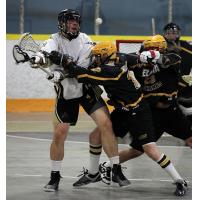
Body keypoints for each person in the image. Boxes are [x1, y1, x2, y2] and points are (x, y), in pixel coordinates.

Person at [46, 40, 188, 196]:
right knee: (95, 135)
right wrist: (153, 55)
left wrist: (65, 61)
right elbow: (137, 58)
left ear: (106, 55)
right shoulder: (121, 58)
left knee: (149, 149)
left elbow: (83, 74)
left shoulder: (111, 70)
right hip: (122, 110)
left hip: (137, 111)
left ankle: (179, 180)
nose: (95, 60)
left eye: (98, 56)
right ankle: (94, 173)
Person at [31, 9, 130, 191]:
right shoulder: (53, 39)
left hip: (86, 89)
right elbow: (45, 53)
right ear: (62, 23)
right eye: (70, 21)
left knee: (106, 124)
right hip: (66, 93)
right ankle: (54, 177)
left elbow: (82, 68)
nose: (75, 24)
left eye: (77, 21)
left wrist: (60, 72)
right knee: (59, 134)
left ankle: (115, 169)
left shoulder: (85, 39)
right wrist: (38, 59)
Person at [163, 22, 192, 120]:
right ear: (164, 34)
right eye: (169, 33)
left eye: (174, 33)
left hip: (185, 90)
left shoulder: (186, 46)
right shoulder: (160, 48)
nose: (172, 35)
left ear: (179, 34)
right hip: (166, 90)